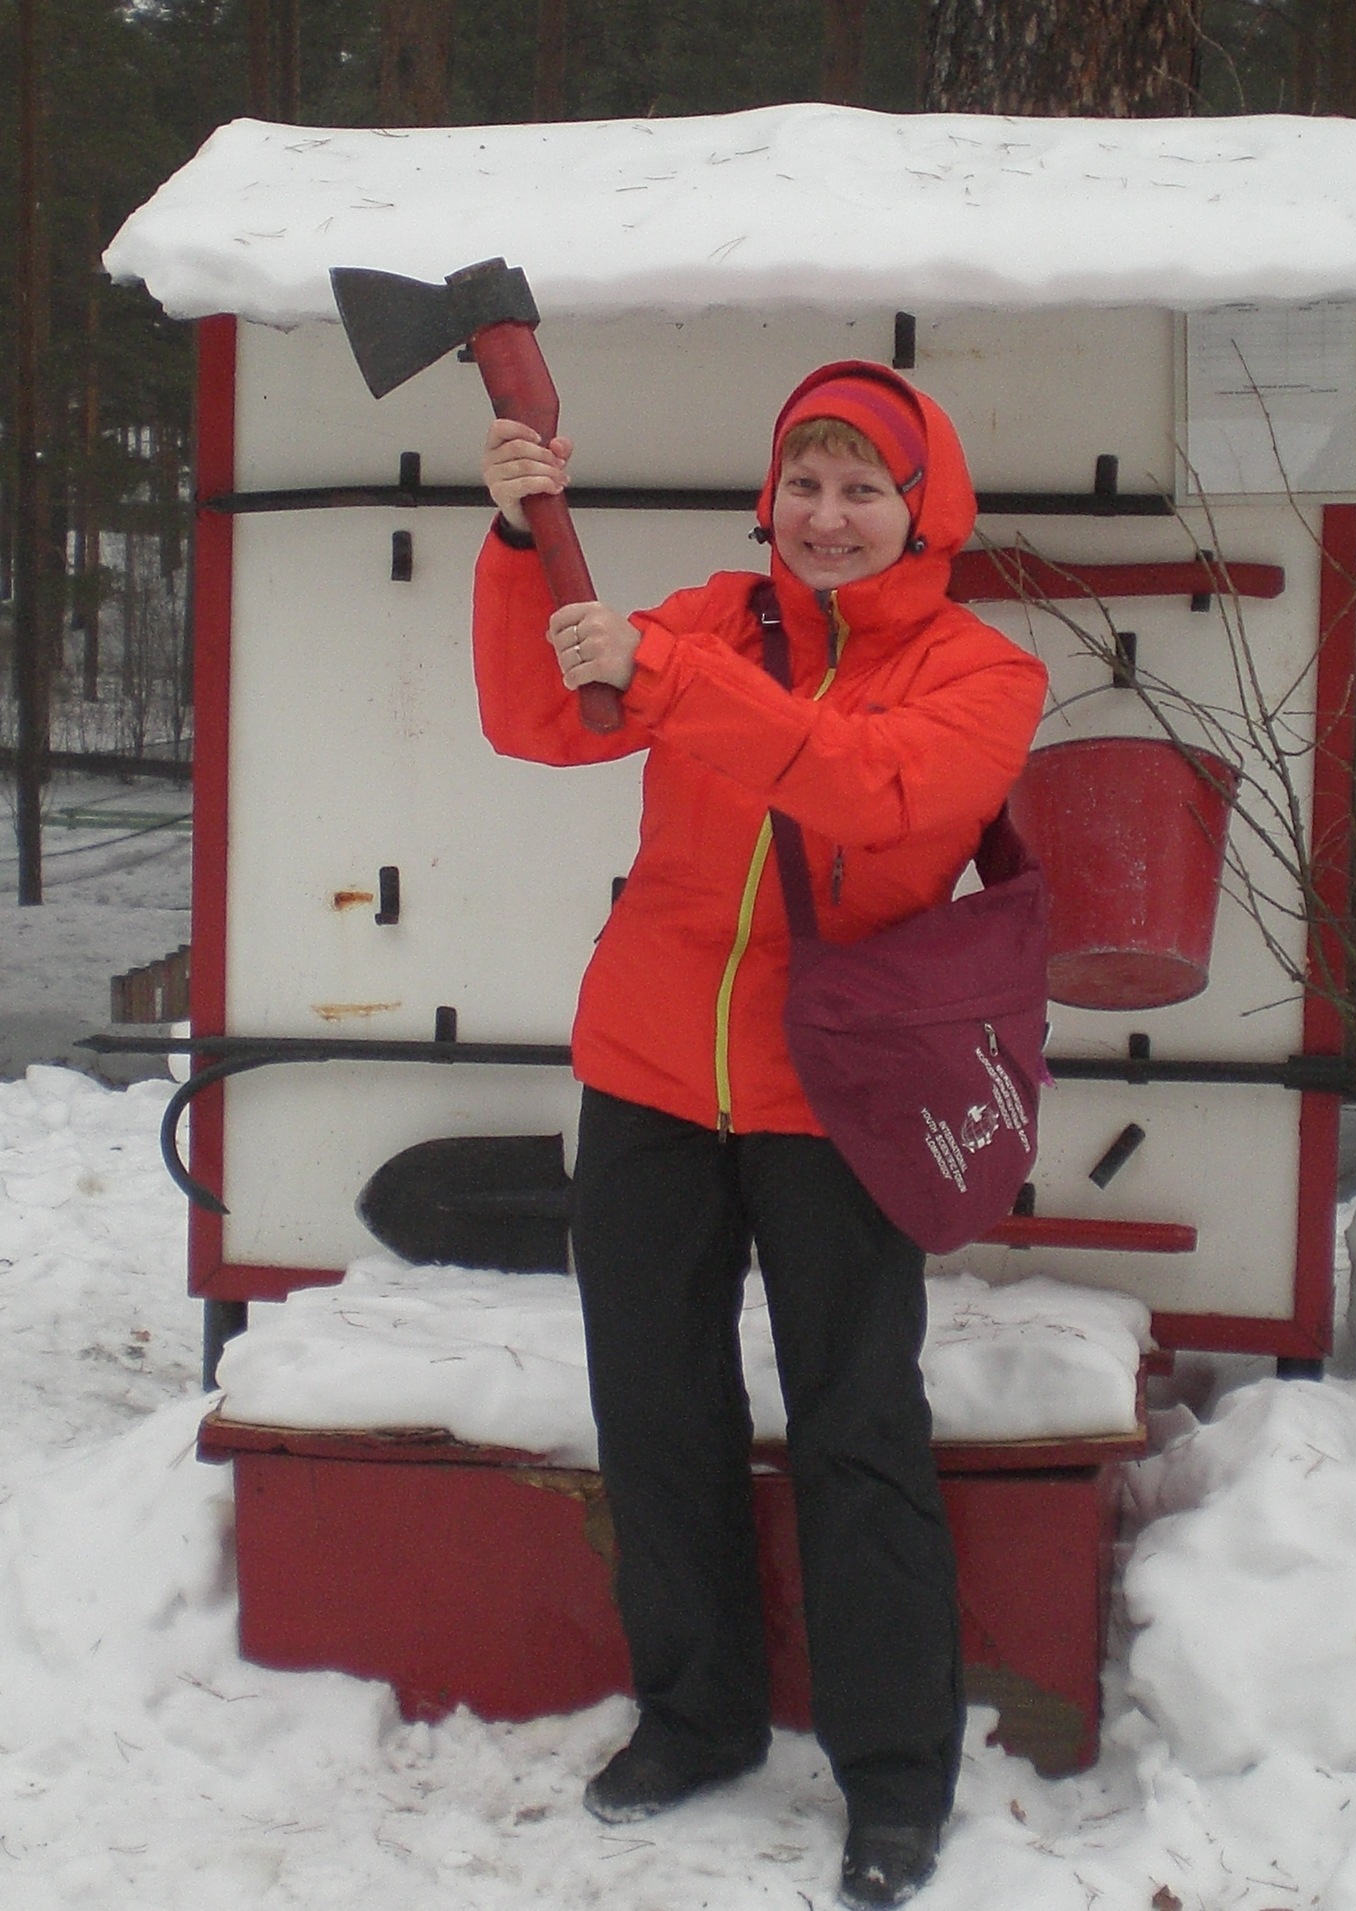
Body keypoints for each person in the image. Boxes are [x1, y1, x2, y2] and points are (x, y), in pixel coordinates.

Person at [472, 361, 1047, 1908]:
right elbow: (537, 720)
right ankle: (698, 1720)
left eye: (863, 488)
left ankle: (896, 1777)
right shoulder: (709, 623)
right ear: (769, 497)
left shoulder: (982, 674)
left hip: (839, 1105)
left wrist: (673, 679)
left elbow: (878, 794)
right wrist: (523, 544)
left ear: (923, 508)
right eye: (804, 483)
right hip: (650, 1076)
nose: (827, 515)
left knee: (858, 1433)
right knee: (657, 1415)